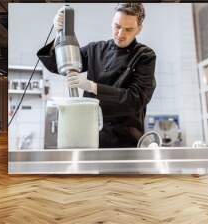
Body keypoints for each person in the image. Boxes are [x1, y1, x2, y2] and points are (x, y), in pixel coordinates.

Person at [37, 3, 156, 148]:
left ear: (139, 29)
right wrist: (59, 35)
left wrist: (92, 87)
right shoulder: (95, 49)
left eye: (128, 29)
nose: (120, 34)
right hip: (90, 135)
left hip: (124, 140)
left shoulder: (145, 56)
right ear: (112, 23)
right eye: (117, 26)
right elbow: (58, 65)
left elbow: (135, 99)